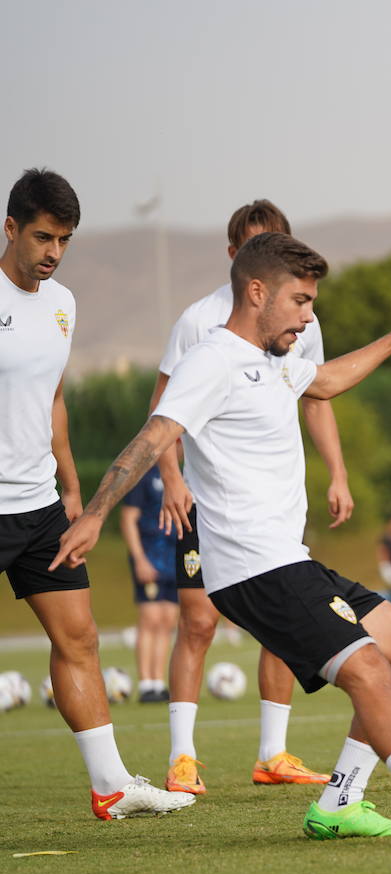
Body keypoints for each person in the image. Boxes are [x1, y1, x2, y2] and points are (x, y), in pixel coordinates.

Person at [54, 231, 391, 844]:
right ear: (257, 292)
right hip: (253, 571)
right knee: (367, 667)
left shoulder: (274, 360)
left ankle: (339, 803)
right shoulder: (212, 359)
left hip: (291, 561)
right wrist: (96, 513)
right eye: (301, 301)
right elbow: (153, 437)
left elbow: (329, 382)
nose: (310, 316)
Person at [0, 167, 193, 820]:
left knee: (78, 638)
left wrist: (73, 483)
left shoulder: (63, 305)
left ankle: (110, 786)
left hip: (40, 506)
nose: (54, 252)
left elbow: (53, 396)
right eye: (44, 237)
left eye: (66, 240)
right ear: (10, 230)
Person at [151, 200, 350, 795]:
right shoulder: (200, 322)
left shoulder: (299, 319)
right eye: (259, 246)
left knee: (280, 621)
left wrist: (337, 471)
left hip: (273, 505)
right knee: (198, 621)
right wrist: (173, 478)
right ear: (238, 258)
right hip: (209, 500)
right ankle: (182, 755)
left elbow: (316, 393)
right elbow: (163, 409)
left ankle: (274, 752)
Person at [119, 465, 177, 702]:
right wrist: (139, 559)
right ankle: (145, 685)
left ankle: (158, 682)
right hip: (149, 556)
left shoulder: (181, 474)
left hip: (173, 559)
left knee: (167, 621)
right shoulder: (143, 475)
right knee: (150, 619)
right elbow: (128, 518)